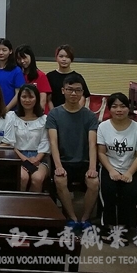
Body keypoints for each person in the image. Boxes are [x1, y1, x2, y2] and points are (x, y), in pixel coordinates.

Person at [46, 75, 100, 231]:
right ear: (63, 91)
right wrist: (58, 166)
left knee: (94, 182)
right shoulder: (54, 114)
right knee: (60, 180)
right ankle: (72, 218)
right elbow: (53, 143)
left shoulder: (89, 116)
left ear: (83, 92)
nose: (74, 93)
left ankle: (85, 219)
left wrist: (92, 168)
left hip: (84, 162)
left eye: (78, 90)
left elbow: (92, 144)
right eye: (70, 90)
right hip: (63, 161)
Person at [97, 92, 137, 234]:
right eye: (114, 106)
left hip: (132, 169)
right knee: (108, 191)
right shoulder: (103, 127)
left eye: (122, 106)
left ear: (128, 108)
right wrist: (111, 170)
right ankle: (108, 226)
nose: (119, 110)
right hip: (109, 167)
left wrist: (129, 173)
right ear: (109, 109)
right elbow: (101, 153)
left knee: (131, 193)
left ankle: (125, 227)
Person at [2, 84, 50, 192]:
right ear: (19, 98)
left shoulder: (44, 119)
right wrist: (25, 159)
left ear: (37, 98)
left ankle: (33, 203)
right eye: (24, 97)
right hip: (17, 156)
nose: (27, 100)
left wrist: (36, 159)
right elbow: (9, 142)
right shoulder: (11, 116)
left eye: (31, 97)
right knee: (22, 177)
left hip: (39, 157)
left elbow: (45, 142)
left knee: (37, 178)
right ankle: (19, 202)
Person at [46, 45, 90, 110]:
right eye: (61, 56)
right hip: (56, 112)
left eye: (67, 57)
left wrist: (74, 111)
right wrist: (54, 113)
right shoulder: (50, 76)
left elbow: (83, 97)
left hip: (74, 112)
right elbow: (49, 99)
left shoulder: (78, 77)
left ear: (71, 59)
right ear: (56, 58)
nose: (64, 59)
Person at [0, 38, 24, 111]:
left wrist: (6, 109)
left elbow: (18, 93)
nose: (1, 53)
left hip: (10, 112)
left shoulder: (16, 71)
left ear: (10, 51)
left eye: (4, 50)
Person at [15, 44, 51, 113]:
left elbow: (43, 99)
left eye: (24, 58)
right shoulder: (18, 75)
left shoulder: (40, 75)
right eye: (19, 59)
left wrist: (37, 114)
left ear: (31, 57)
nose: (22, 61)